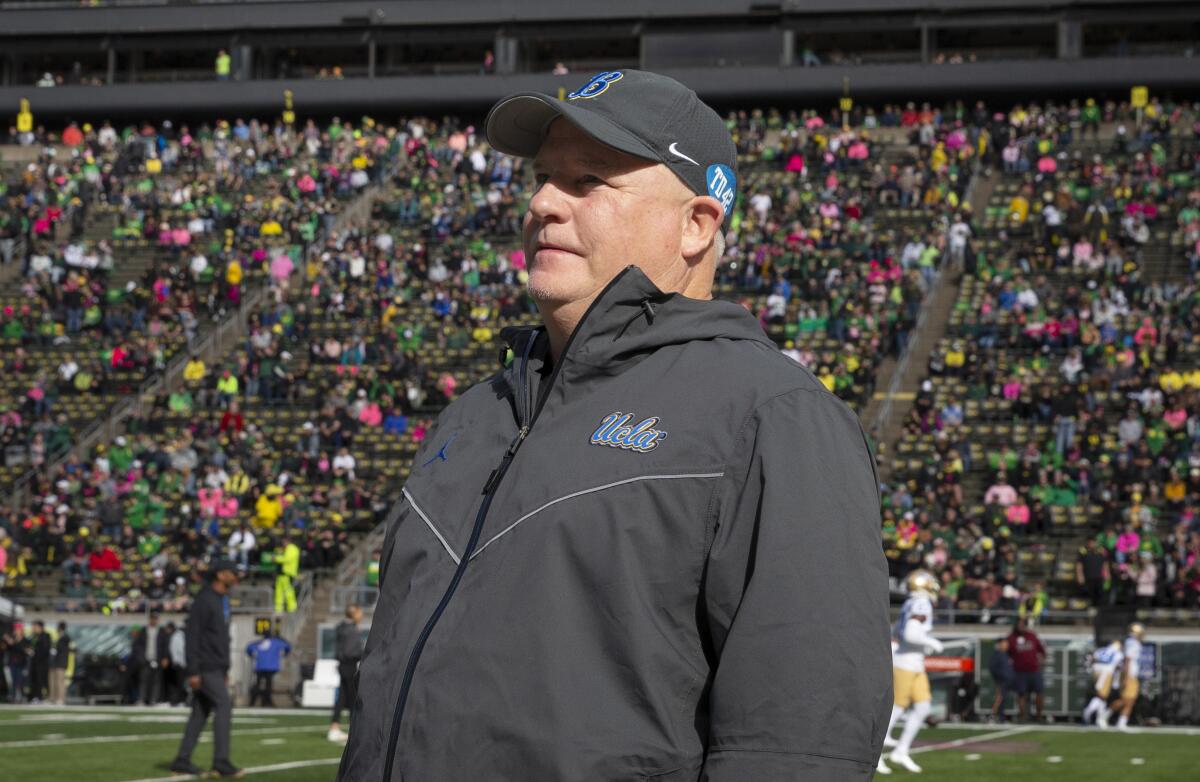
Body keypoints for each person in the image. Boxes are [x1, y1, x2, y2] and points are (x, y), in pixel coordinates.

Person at [337, 69, 891, 781]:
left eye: (588, 180)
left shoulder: (771, 416)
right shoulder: (473, 415)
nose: (542, 203)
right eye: (542, 178)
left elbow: (799, 744)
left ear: (696, 225)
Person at [170, 560, 243, 778]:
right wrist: (193, 670)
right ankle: (220, 761)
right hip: (205, 666)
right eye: (232, 572)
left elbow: (219, 638)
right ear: (220, 574)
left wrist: (225, 669)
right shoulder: (205, 600)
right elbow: (193, 636)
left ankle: (182, 760)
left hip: (216, 666)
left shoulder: (222, 600)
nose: (235, 577)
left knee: (200, 712)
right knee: (224, 705)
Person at [879, 570, 943, 775]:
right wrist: (930, 641)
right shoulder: (921, 603)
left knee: (923, 707)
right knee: (897, 707)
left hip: (915, 663)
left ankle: (901, 750)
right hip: (906, 662)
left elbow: (901, 632)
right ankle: (877, 752)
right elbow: (911, 633)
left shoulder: (911, 603)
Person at [328, 605, 364, 743]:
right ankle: (353, 730)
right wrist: (363, 653)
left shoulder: (342, 627)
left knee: (342, 698)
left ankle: (334, 727)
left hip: (342, 665)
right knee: (352, 699)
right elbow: (351, 651)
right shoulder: (352, 630)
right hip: (349, 666)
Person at [1102, 623, 1144, 731]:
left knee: (1131, 700)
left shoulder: (1132, 643)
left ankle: (1121, 722)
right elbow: (1128, 660)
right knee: (1126, 700)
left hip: (1132, 674)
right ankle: (1105, 715)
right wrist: (1126, 676)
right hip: (1129, 674)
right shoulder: (1132, 643)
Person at [1007, 617, 1046, 722]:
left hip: (1034, 670)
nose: (1021, 626)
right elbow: (1006, 653)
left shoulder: (1032, 636)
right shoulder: (1011, 638)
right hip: (1019, 671)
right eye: (1019, 624)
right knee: (1021, 694)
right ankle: (1022, 716)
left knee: (1039, 693)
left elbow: (1042, 650)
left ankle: (1039, 716)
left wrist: (1042, 660)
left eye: (1023, 624)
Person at [245, 628, 291, 707]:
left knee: (258, 684)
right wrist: (285, 654)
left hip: (259, 666)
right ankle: (266, 701)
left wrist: (251, 655)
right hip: (271, 667)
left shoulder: (259, 643)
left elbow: (248, 647)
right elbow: (288, 646)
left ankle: (254, 701)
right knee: (268, 684)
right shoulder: (277, 642)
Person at [1083, 639, 1123, 727]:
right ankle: (1089, 711)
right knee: (1102, 695)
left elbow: (1090, 659)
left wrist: (1089, 670)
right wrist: (1116, 682)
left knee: (1102, 696)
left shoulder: (1100, 650)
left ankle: (1099, 719)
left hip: (1096, 671)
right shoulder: (1118, 654)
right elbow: (1118, 667)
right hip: (1106, 672)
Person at [132, 612, 166, 705]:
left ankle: (153, 699)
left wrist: (164, 658)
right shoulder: (144, 630)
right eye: (152, 618)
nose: (153, 620)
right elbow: (138, 645)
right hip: (146, 659)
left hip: (157, 659)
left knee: (156, 681)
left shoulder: (161, 631)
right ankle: (142, 699)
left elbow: (164, 645)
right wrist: (141, 657)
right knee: (143, 680)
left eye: (155, 619)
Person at [988, 637, 1015, 722]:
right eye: (1004, 644)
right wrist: (1000, 677)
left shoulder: (1006, 654)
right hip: (1000, 681)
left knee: (1003, 699)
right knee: (999, 699)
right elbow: (992, 668)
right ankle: (992, 716)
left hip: (1008, 681)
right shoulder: (997, 655)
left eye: (1006, 644)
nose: (1006, 645)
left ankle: (1001, 717)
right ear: (999, 645)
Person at [274, 531, 300, 614]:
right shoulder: (285, 549)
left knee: (288, 592)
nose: (283, 543)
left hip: (288, 574)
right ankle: (278, 609)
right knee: (278, 592)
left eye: (284, 541)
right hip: (281, 574)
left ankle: (292, 608)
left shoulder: (292, 548)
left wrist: (276, 558)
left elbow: (287, 559)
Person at [28, 620, 51, 704]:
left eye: (35, 626)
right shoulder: (34, 636)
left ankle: (41, 697)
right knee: (34, 680)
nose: (33, 628)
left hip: (41, 663)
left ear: (40, 627)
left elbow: (45, 650)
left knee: (40, 680)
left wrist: (35, 652)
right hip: (34, 663)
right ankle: (35, 696)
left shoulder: (46, 636)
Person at [49, 622, 72, 705]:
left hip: (61, 662)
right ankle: (55, 698)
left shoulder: (65, 637)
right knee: (55, 681)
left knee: (60, 681)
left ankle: (61, 698)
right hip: (57, 662)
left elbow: (61, 649)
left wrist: (55, 646)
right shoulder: (60, 637)